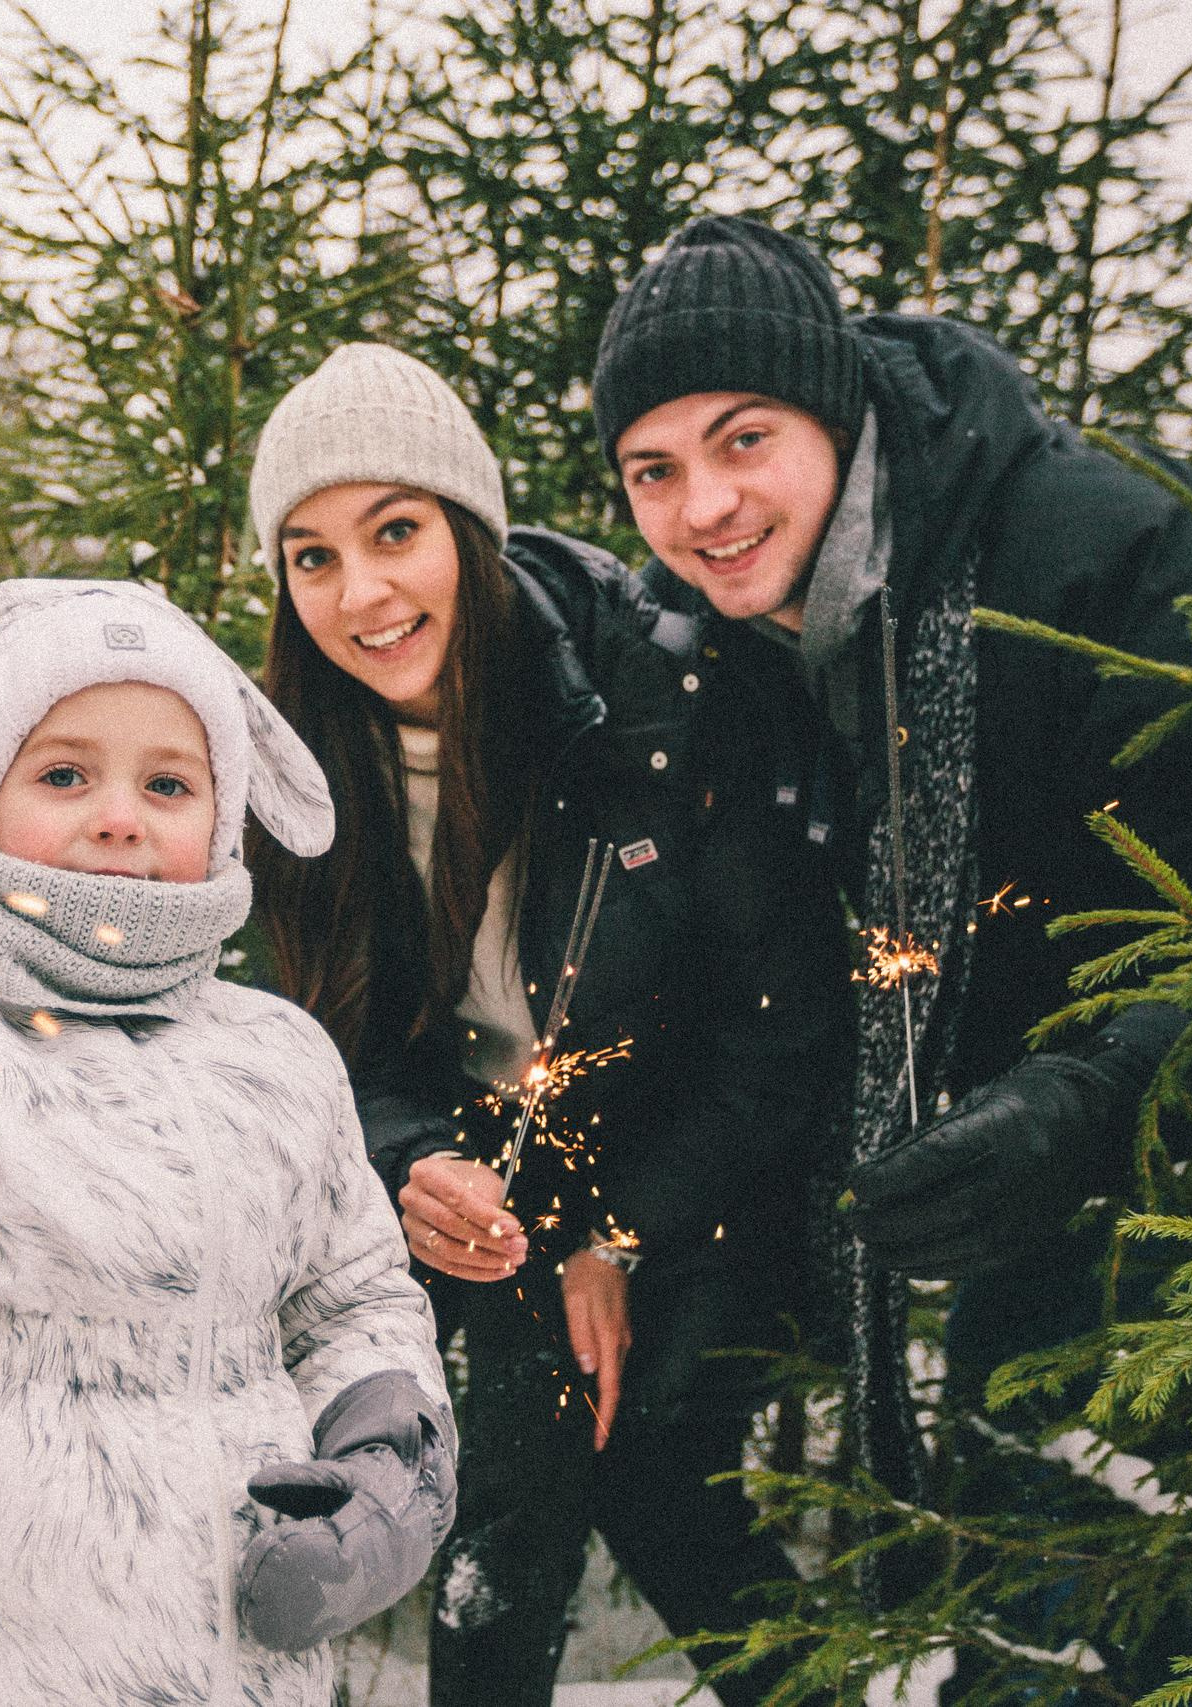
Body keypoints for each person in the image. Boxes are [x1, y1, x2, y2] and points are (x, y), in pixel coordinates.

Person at [585, 216, 1192, 1601]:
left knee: (1123, 1579)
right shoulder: (738, 642)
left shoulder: (1093, 558)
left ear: (835, 414)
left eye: (744, 440)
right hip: (1075, 1151)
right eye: (651, 470)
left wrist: (1090, 1102)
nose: (703, 507)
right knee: (1019, 1574)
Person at [0, 577, 455, 1706]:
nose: (120, 816)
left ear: (226, 813)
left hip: (238, 1663)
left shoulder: (282, 1055)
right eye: (64, 775)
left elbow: (350, 1297)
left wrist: (384, 1463)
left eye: (168, 783)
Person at [245, 344, 854, 1706]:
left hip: (699, 1165)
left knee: (638, 1470)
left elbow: (780, 1028)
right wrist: (416, 1161)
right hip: (493, 1178)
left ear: (468, 530)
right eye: (312, 557)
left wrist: (615, 1232)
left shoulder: (655, 701)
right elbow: (334, 1043)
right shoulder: (296, 765)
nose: (361, 593)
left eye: (394, 532)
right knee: (496, 1480)